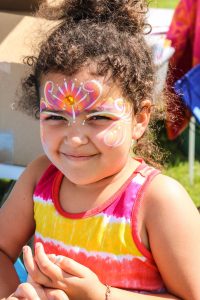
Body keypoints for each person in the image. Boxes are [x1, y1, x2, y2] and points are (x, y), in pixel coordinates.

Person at [0, 0, 200, 299]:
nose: (75, 138)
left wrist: (100, 295)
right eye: (55, 117)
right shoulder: (40, 177)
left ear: (140, 119)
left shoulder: (157, 202)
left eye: (98, 118)